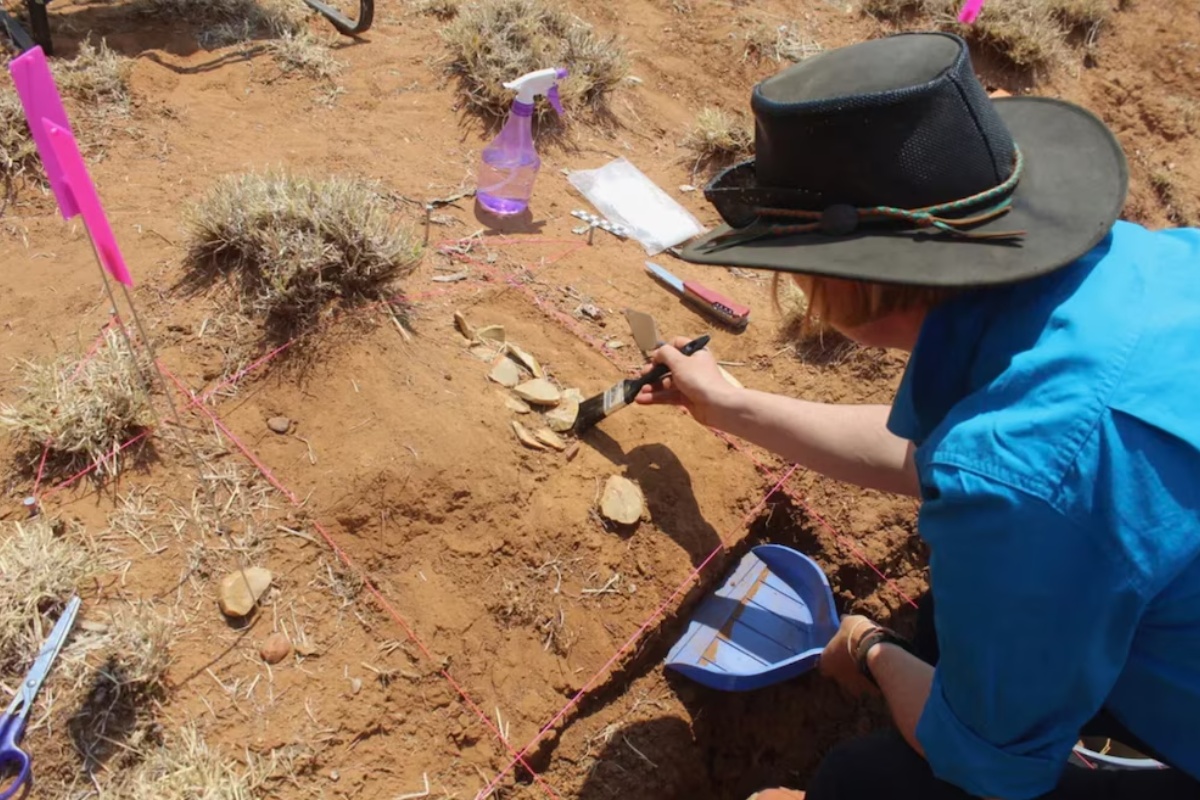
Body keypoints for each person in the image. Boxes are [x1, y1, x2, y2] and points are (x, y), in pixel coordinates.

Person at [635, 32, 1200, 800]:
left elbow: (992, 766)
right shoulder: (1152, 268)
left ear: (845, 285)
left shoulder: (1024, 469)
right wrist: (729, 405)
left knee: (859, 782)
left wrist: (870, 650)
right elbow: (944, 457)